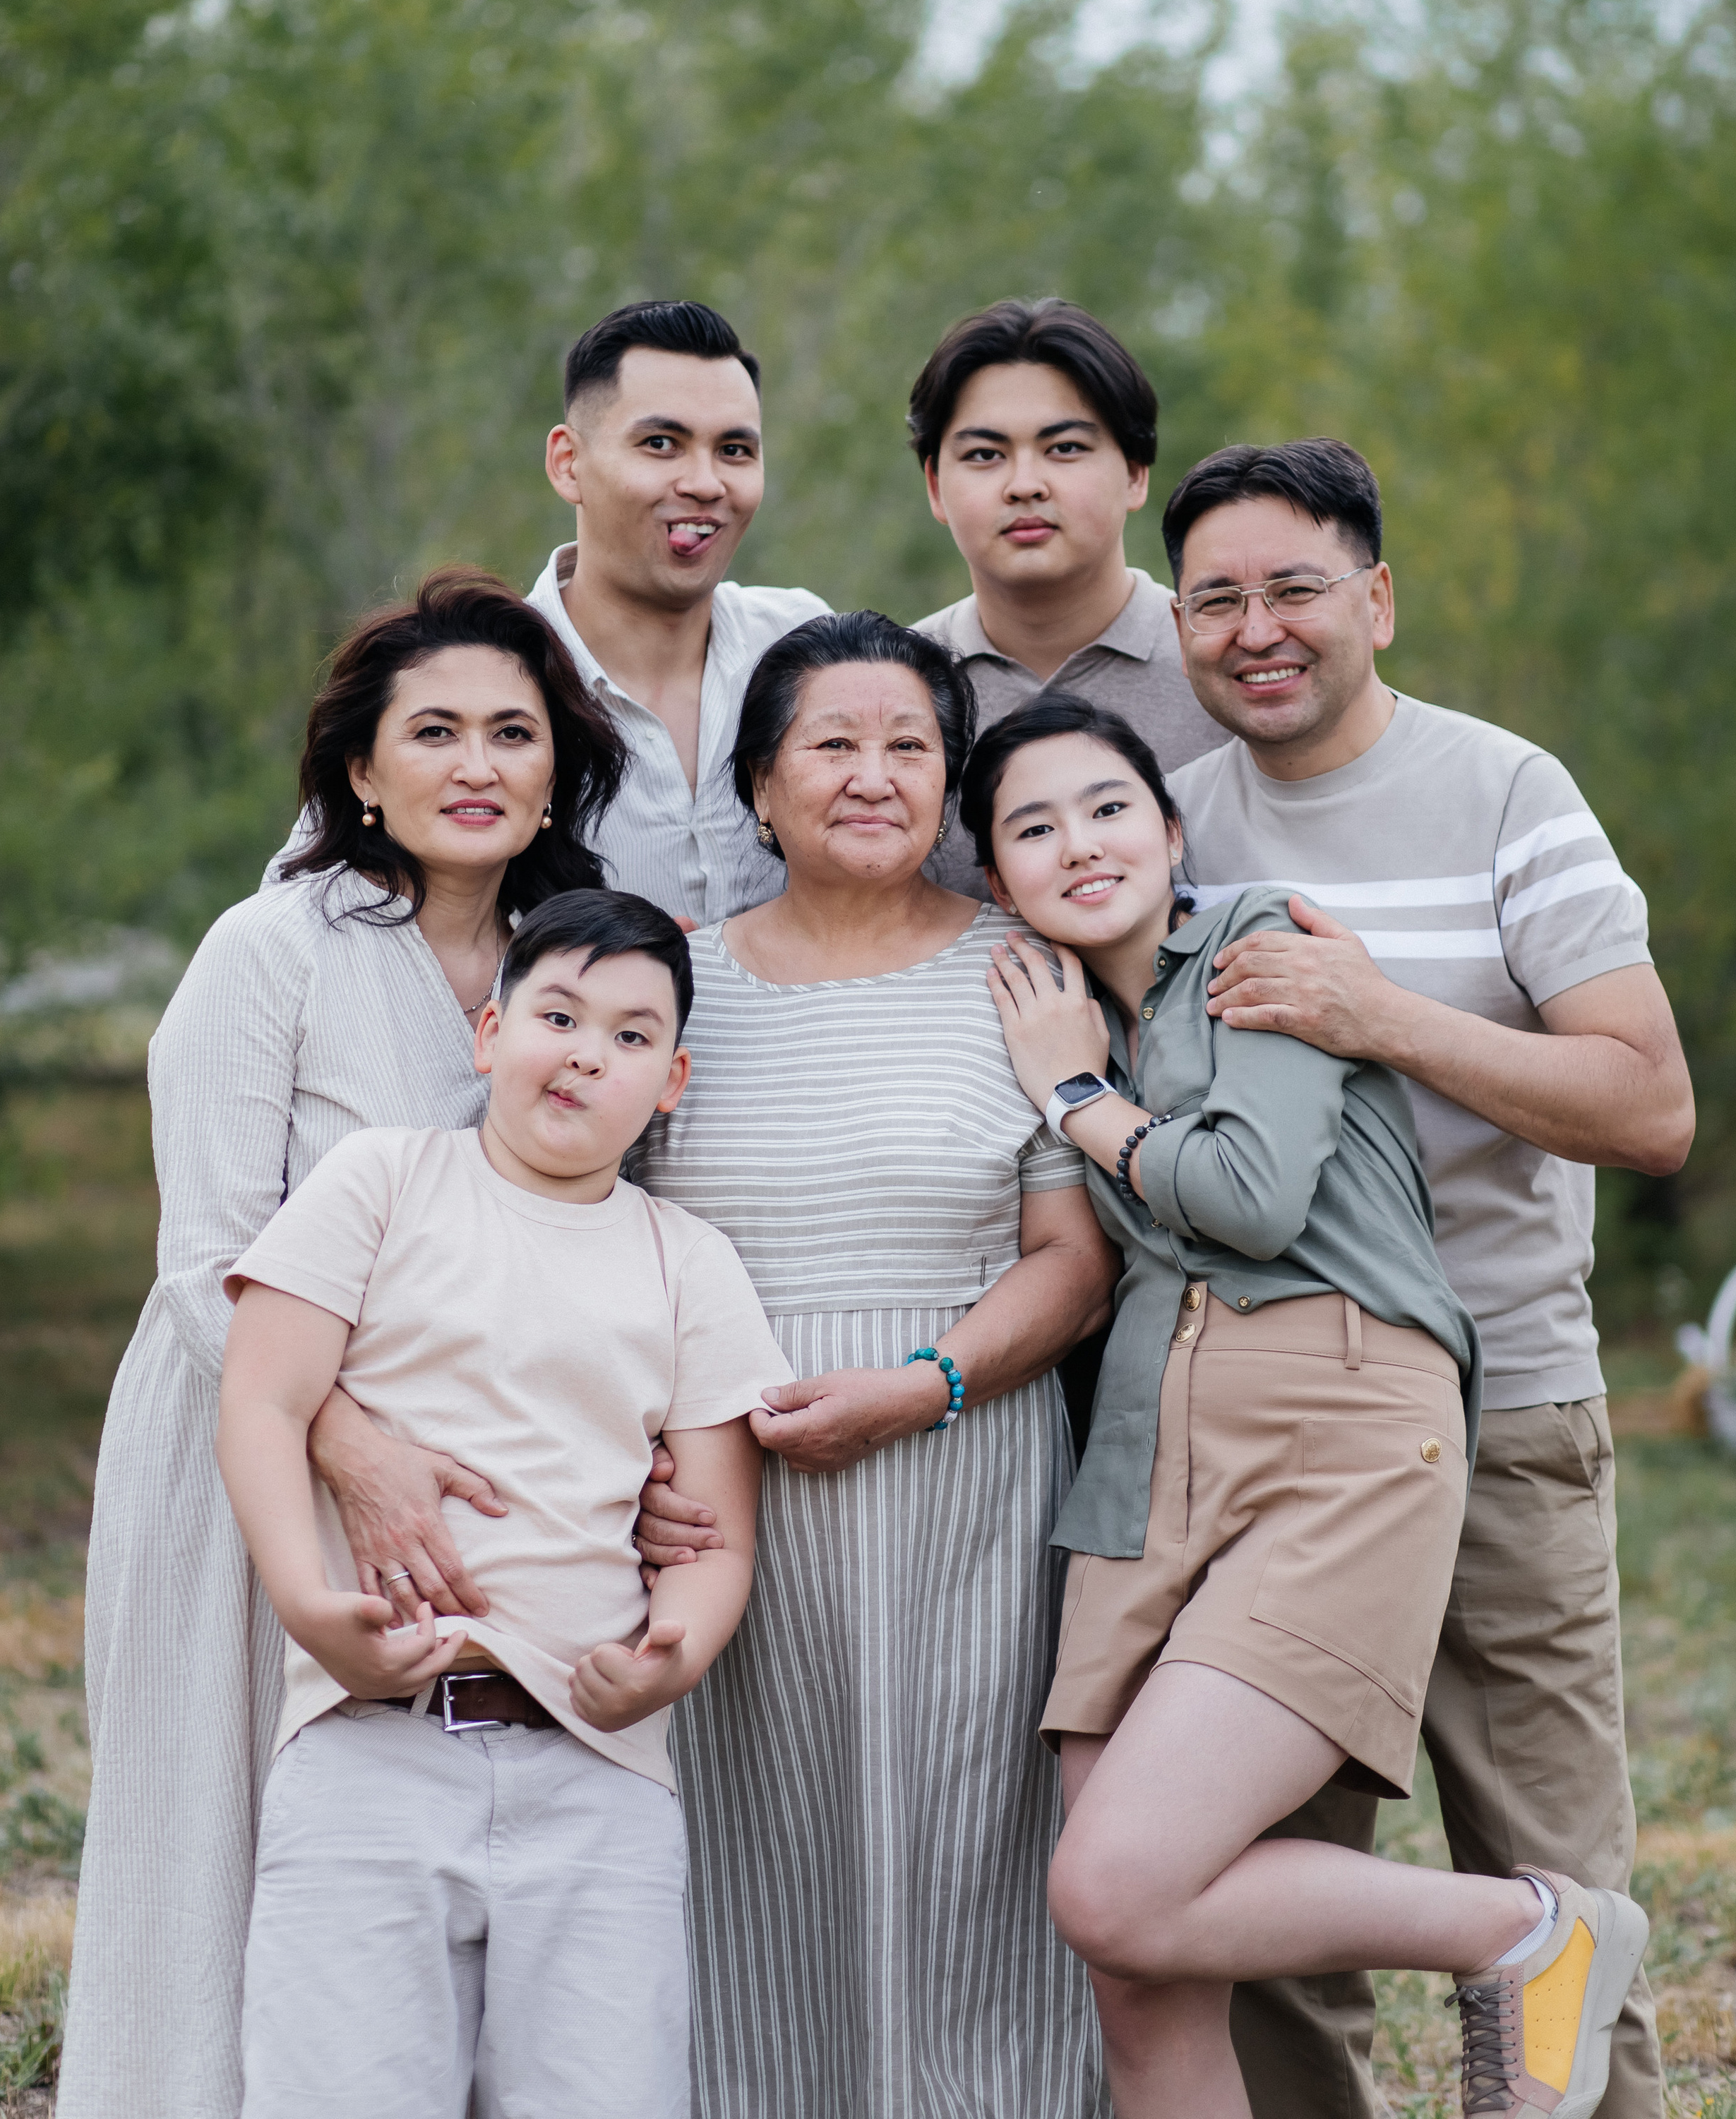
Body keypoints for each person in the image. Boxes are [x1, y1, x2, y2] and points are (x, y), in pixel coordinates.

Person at [962, 692, 1648, 2119]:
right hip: (1141, 1463)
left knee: (1115, 1886)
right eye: (1032, 828)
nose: (1078, 844)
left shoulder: (1256, 945)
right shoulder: (1053, 1009)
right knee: (1137, 1973)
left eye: (1107, 808)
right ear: (995, 878)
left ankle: (1527, 1929)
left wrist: (1076, 1098)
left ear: (1171, 833)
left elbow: (1253, 1198)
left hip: (1335, 1424)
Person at [1161, 439, 1694, 2119]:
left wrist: (1376, 1013)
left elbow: (1646, 1106)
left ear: (1375, 599)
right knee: (1258, 1903)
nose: (1256, 629)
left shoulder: (1505, 792)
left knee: (1551, 1885)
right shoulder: (1159, 825)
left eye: (1294, 587)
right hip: (1263, 1433)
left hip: (1498, 1406)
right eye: (1214, 599)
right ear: (1173, 626)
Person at [59, 571, 629, 2119]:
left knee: (431, 1872)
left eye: (512, 731)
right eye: (433, 732)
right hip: (251, 1449)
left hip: (492, 1474)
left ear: (557, 768)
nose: (476, 764)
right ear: (361, 771)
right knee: (227, 1825)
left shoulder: (573, 969)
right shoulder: (273, 950)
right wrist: (353, 1454)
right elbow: (207, 1261)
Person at [630, 611, 1118, 2119]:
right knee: (755, 1863)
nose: (873, 774)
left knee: (970, 1845)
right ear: (757, 787)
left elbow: (1072, 1261)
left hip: (967, 1479)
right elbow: (597, 1243)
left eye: (910, 745)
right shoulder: (673, 983)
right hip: (726, 1506)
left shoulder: (1021, 976)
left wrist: (922, 1385)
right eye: (831, 743)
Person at [216, 891, 790, 2119]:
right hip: (371, 1745)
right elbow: (261, 1401)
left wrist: (675, 1655)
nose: (587, 1053)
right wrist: (309, 1606)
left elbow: (717, 1535)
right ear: (489, 1034)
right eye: (559, 1016)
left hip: (596, 1765)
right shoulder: (384, 1180)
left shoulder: (687, 1261)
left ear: (672, 1082)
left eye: (632, 1036)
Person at [909, 294, 1228, 902]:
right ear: (935, 485)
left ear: (1135, 471)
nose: (1025, 485)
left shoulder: (1225, 663)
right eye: (984, 455)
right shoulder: (898, 688)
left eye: (1065, 448)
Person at [528, 296, 830, 918]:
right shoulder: (484, 676)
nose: (705, 483)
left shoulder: (806, 646)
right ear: (568, 463)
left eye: (735, 450)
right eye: (662, 443)